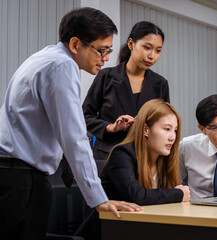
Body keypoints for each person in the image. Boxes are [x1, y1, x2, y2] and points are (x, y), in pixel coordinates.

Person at [0, 7, 142, 240]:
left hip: (11, 174)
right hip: (23, 180)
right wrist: (99, 199)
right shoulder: (62, 66)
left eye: (109, 51)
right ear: (76, 44)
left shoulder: (45, 57)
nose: (105, 59)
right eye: (101, 50)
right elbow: (73, 137)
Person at [82, 21, 169, 160]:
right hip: (108, 157)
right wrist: (110, 127)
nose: (152, 56)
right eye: (147, 47)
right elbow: (84, 117)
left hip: (144, 158)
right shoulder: (106, 77)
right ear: (131, 44)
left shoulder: (160, 84)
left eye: (158, 50)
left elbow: (165, 124)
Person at [101, 99, 190, 205]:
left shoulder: (164, 158)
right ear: (145, 130)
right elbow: (135, 196)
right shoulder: (121, 154)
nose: (173, 137)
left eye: (175, 130)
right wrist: (178, 194)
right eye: (167, 129)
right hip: (110, 221)